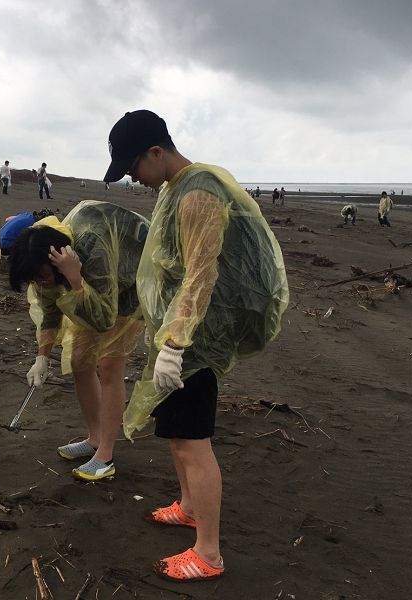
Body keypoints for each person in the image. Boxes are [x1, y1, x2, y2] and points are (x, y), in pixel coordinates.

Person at [103, 110, 288, 583]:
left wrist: (176, 343)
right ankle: (188, 508)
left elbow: (200, 273)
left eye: (134, 168)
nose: (136, 180)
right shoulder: (175, 187)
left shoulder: (198, 192)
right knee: (176, 434)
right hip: (178, 333)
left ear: (156, 153)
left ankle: (208, 553)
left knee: (191, 441)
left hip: (195, 340)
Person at [8, 201, 148, 481]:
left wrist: (74, 279)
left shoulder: (92, 248)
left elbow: (105, 318)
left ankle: (105, 455)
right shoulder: (43, 259)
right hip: (88, 285)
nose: (41, 283)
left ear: (57, 263)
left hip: (132, 281)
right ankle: (95, 438)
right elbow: (50, 309)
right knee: (80, 361)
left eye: (43, 277)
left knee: (110, 365)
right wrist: (42, 356)